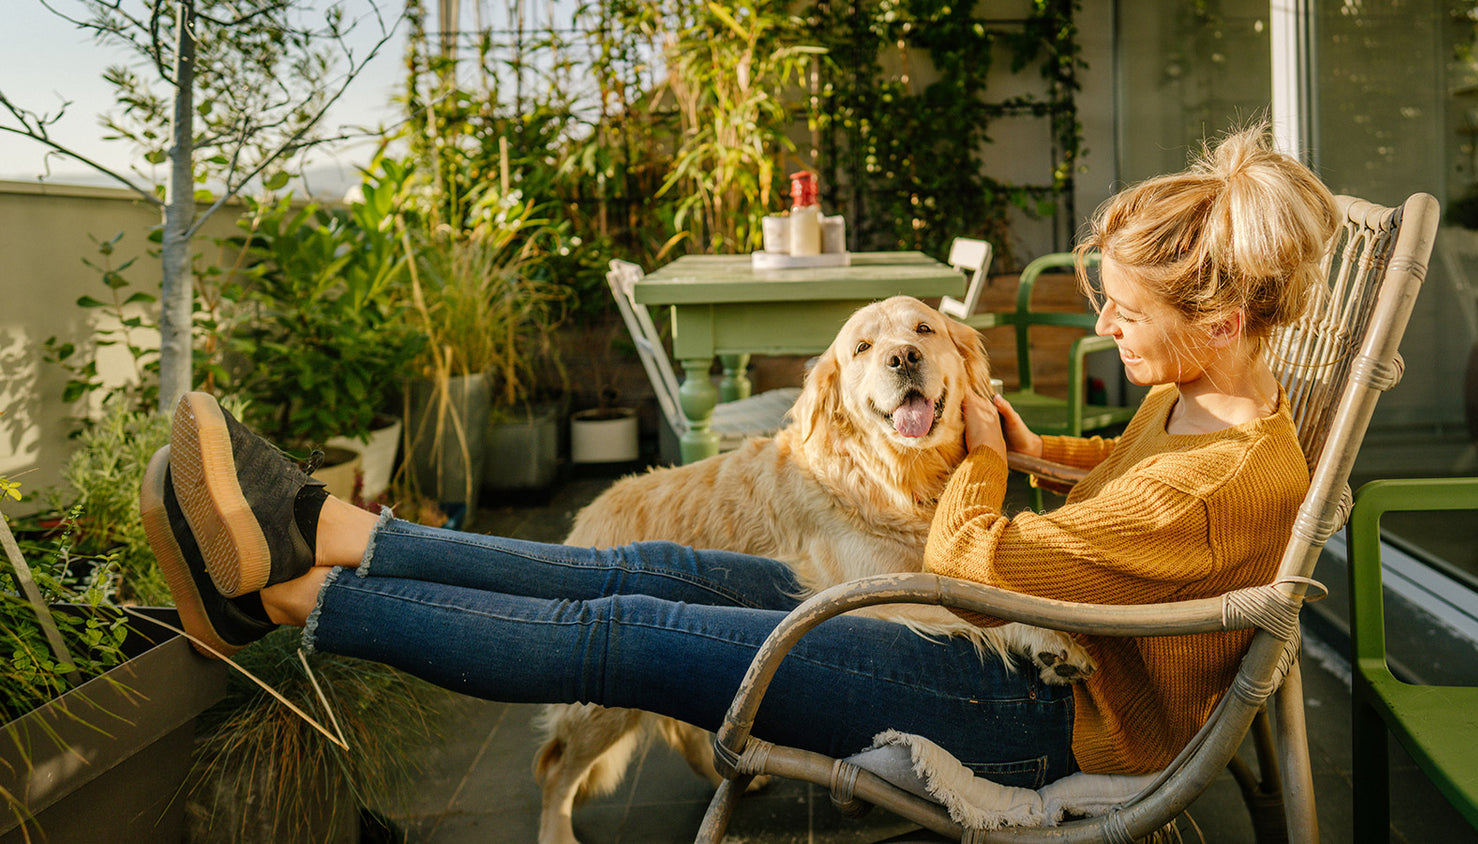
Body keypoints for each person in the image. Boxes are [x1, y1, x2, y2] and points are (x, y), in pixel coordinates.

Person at [141, 124, 1337, 789]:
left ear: (1222, 317)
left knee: (629, 641)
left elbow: (983, 563)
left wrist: (978, 452)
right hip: (973, 635)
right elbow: (1126, 479)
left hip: (1017, 703)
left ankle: (295, 595)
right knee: (634, 571)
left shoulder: (1226, 475)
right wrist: (1038, 446)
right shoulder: (1216, 402)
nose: (1105, 326)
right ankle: (329, 524)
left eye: (1125, 311)